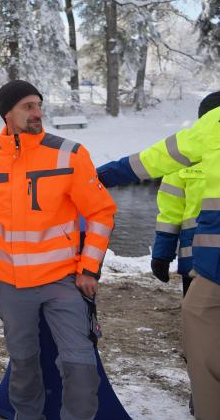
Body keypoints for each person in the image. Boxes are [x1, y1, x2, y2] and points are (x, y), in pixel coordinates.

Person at [0, 80, 117, 420]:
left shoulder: (70, 154)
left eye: (38, 104)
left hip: (62, 281)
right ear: (7, 114)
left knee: (80, 364)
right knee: (22, 365)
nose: (37, 112)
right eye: (28, 106)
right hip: (10, 283)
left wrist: (89, 268)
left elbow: (101, 213)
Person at [97, 90, 220, 420]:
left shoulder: (208, 131)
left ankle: (208, 403)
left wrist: (94, 176)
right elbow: (170, 210)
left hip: (210, 263)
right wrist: (163, 254)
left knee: (199, 327)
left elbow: (145, 163)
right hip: (200, 260)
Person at [150, 95, 219, 296]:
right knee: (198, 319)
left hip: (196, 258)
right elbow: (170, 213)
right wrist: (161, 254)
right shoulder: (182, 155)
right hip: (196, 262)